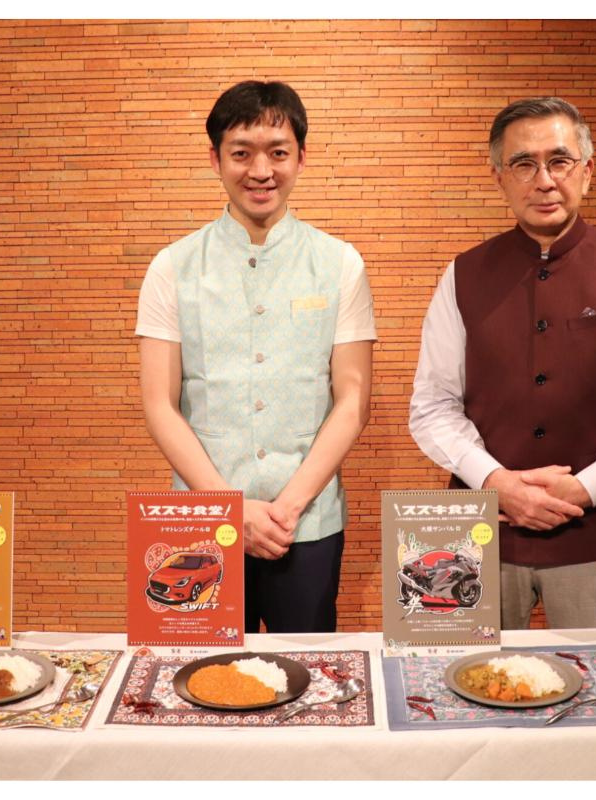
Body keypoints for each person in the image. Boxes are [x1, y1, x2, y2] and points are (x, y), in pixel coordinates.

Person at [409, 97, 596, 629]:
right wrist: (496, 481)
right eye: (524, 164)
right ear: (499, 177)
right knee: (461, 676)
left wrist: (585, 487)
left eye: (559, 161)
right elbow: (432, 407)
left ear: (587, 171)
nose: (544, 181)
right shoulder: (462, 274)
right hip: (479, 531)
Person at [136, 81, 376, 633]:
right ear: (216, 158)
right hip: (199, 522)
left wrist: (286, 507)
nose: (261, 170)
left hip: (307, 523)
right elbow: (159, 404)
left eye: (278, 152)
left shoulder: (341, 263)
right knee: (200, 671)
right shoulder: (171, 267)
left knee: (306, 669)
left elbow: (353, 400)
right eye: (242, 153)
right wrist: (230, 509)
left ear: (301, 157)